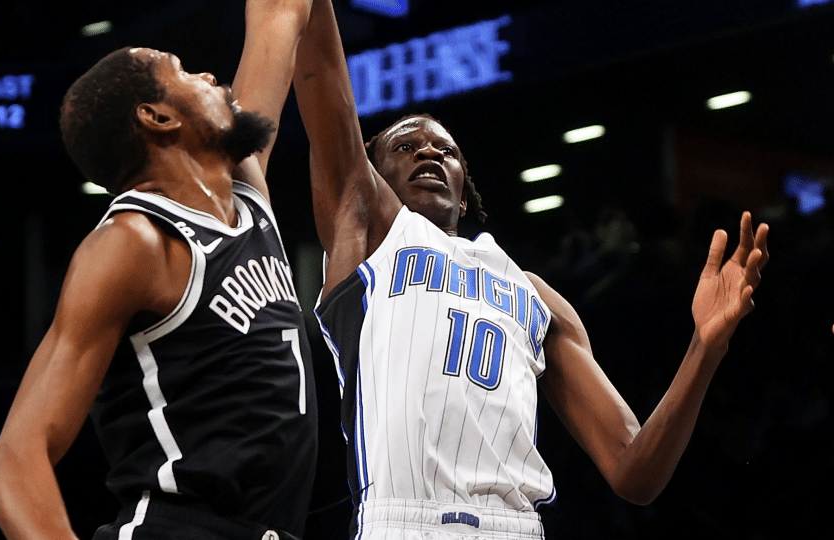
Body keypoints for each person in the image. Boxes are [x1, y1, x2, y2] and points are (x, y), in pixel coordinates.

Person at [291, 1, 769, 538]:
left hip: (517, 524)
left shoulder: (534, 295)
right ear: (367, 179)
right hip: (405, 518)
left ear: (466, 195)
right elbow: (323, 75)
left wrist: (705, 347)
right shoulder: (369, 238)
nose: (428, 151)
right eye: (405, 145)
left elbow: (635, 472)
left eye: (445, 150)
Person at [0, 2, 318, 539]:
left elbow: (281, 12)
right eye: (183, 70)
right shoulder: (132, 243)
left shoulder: (247, 195)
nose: (210, 76)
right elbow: (14, 462)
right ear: (157, 117)